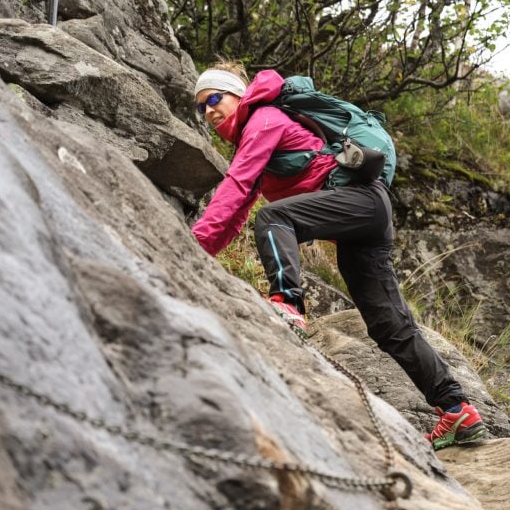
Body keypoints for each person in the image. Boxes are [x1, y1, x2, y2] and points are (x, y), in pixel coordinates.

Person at [191, 61, 488, 450]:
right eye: (200, 108)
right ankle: (457, 410)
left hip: (361, 201)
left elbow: (235, 186)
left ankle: (287, 302)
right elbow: (233, 214)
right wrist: (193, 253)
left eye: (214, 98)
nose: (209, 111)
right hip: (364, 216)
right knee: (388, 326)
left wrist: (189, 246)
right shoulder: (256, 135)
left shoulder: (263, 118)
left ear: (237, 93)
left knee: (275, 217)